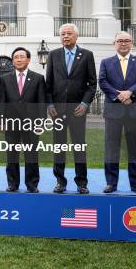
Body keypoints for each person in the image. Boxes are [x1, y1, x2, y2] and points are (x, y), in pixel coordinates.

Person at [45, 23, 96, 194]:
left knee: (79, 146)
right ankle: (60, 181)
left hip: (77, 110)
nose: (65, 36)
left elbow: (92, 84)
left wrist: (85, 103)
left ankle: (81, 182)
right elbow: (49, 84)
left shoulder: (87, 55)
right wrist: (50, 104)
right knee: (58, 146)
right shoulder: (53, 55)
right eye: (63, 34)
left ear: (76, 36)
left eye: (69, 33)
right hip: (57, 110)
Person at [99, 31, 136, 194]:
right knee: (111, 148)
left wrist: (130, 93)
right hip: (113, 110)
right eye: (120, 40)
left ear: (131, 43)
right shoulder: (106, 62)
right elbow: (103, 81)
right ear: (114, 43)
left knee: (134, 149)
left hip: (134, 110)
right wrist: (119, 95)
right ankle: (111, 183)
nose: (123, 43)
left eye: (126, 41)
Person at [0, 47, 46, 193]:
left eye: (22, 56)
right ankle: (13, 183)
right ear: (13, 61)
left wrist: (41, 122)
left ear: (28, 60)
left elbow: (42, 102)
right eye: (16, 57)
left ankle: (32, 184)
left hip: (31, 124)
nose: (18, 59)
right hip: (11, 124)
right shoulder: (5, 79)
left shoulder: (38, 78)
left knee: (31, 155)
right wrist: (2, 121)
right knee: (12, 155)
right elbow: (1, 102)